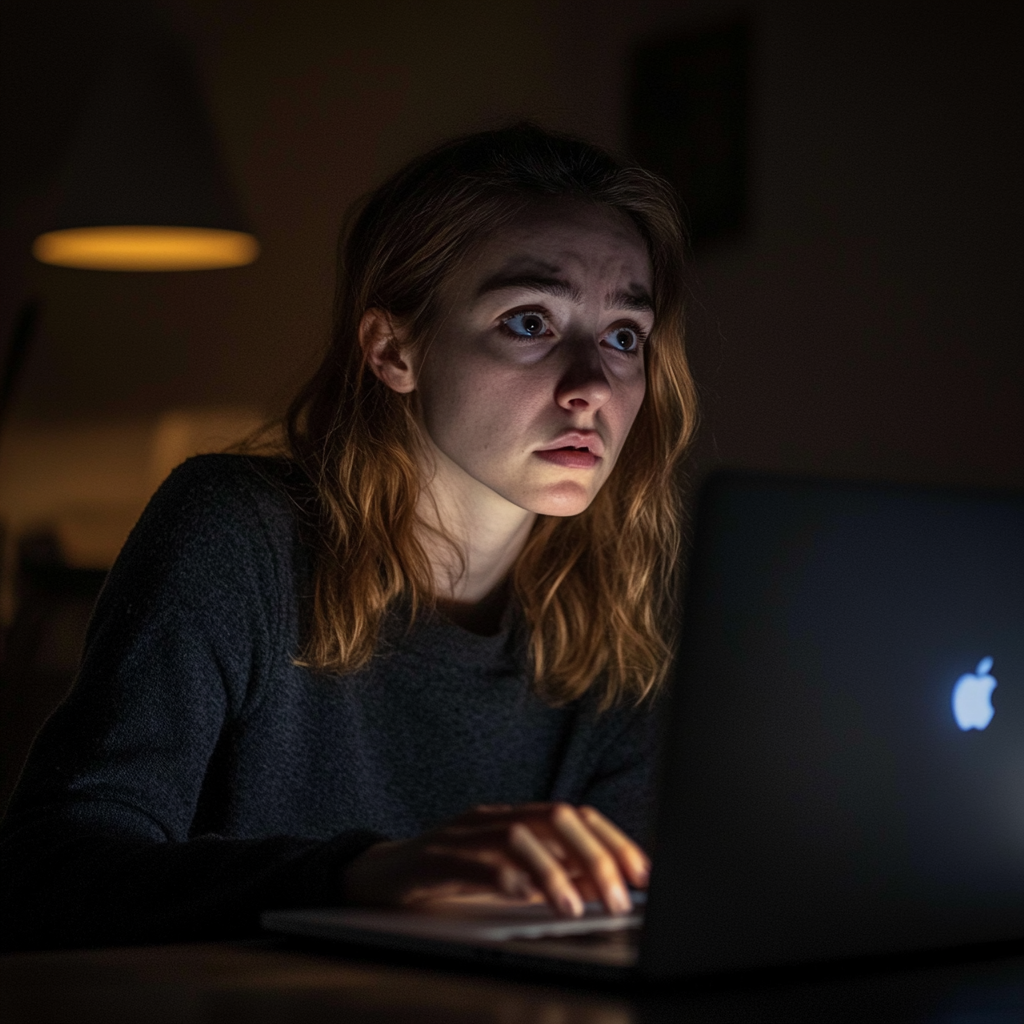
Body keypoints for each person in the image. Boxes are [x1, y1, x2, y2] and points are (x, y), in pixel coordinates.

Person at [0, 124, 697, 950]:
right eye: (528, 321)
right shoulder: (237, 533)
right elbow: (46, 875)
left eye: (624, 336)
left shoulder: (612, 610)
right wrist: (361, 877)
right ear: (393, 349)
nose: (590, 386)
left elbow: (619, 937)